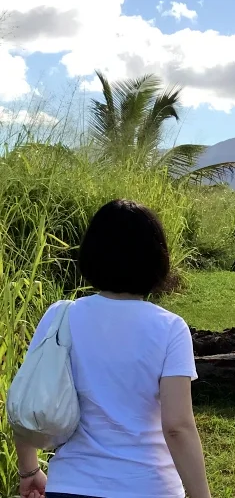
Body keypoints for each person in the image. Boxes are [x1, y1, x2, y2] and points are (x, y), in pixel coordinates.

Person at [14, 200, 212, 498]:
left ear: (92, 254)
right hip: (150, 486)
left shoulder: (60, 316)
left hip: (72, 485)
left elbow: (30, 400)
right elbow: (177, 426)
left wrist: (29, 469)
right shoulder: (169, 328)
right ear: (157, 259)